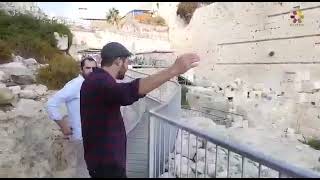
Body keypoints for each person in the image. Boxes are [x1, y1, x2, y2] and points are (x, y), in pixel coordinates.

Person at [80, 42, 200, 178]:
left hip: (103, 160)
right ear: (118, 61)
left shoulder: (97, 80)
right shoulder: (99, 82)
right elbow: (128, 92)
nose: (127, 67)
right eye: (127, 62)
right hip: (106, 163)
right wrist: (174, 70)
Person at [46, 57, 97, 177]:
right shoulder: (75, 85)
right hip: (81, 138)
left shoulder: (91, 84)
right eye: (88, 68)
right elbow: (51, 104)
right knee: (83, 172)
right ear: (81, 69)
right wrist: (64, 126)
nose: (91, 71)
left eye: (94, 68)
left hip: (93, 136)